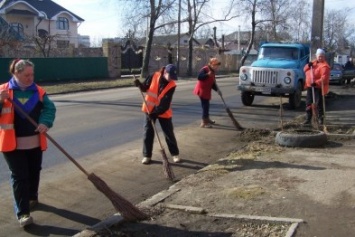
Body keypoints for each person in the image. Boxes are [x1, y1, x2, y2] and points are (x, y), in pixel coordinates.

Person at [0, 59, 56, 227]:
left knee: (34, 171)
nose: (30, 78)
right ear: (16, 73)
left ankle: (32, 197)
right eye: (26, 75)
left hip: (35, 143)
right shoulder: (3, 91)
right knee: (20, 177)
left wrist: (45, 122)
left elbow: (50, 109)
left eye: (32, 74)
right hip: (12, 145)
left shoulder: (38, 92)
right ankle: (23, 213)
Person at [133, 64, 180, 165]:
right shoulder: (154, 76)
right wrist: (139, 85)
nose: (172, 79)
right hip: (149, 109)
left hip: (163, 111)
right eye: (170, 76)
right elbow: (145, 88)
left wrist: (156, 112)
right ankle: (147, 156)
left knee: (169, 133)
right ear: (165, 72)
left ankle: (175, 154)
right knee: (148, 133)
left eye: (173, 77)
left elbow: (165, 103)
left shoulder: (172, 85)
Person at [303, 48, 330, 125]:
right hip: (309, 86)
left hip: (318, 88)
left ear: (324, 57)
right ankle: (308, 118)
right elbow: (304, 69)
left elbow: (324, 78)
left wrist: (316, 83)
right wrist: (308, 65)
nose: (320, 58)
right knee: (308, 103)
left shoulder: (325, 66)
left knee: (318, 104)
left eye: (322, 56)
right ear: (316, 56)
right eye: (319, 56)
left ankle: (320, 119)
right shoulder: (312, 63)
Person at [193, 57, 222, 128]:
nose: (217, 67)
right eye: (216, 65)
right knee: (205, 106)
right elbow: (199, 77)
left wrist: (217, 90)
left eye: (217, 66)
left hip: (206, 91)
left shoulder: (213, 71)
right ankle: (204, 123)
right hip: (201, 90)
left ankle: (207, 119)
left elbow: (212, 83)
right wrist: (207, 75)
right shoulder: (205, 69)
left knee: (207, 105)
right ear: (211, 64)